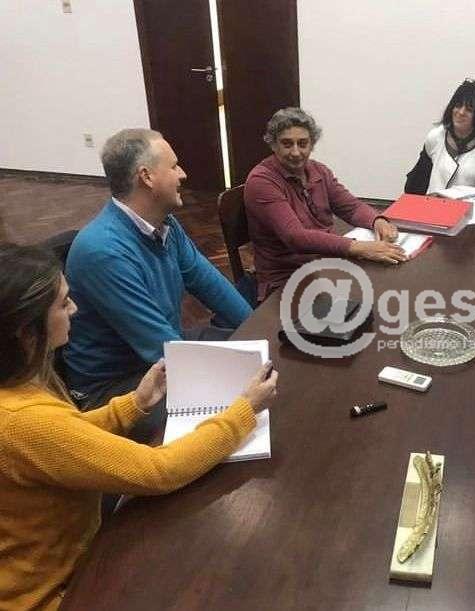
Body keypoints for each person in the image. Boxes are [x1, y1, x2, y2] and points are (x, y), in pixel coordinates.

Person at [0, 243, 279, 611]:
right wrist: (242, 411)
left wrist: (133, 405)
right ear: (26, 333)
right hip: (56, 594)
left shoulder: (18, 393)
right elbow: (157, 471)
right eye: (64, 304)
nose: (75, 309)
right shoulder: (23, 420)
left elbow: (66, 435)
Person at [63, 129, 253, 441]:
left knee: (256, 354)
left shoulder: (166, 225)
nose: (183, 174)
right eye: (174, 166)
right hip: (117, 389)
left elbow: (211, 285)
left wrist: (258, 332)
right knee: (238, 403)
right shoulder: (103, 252)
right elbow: (159, 348)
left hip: (160, 354)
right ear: (147, 177)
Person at [244, 107, 405, 300]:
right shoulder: (262, 181)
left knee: (389, 290)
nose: (296, 152)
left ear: (312, 144)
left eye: (302, 143)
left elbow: (351, 208)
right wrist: (360, 248)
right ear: (273, 145)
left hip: (325, 266)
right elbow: (295, 237)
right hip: (287, 279)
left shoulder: (319, 171)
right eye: (287, 144)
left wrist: (377, 221)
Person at [404, 78, 475, 195]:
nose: (461, 112)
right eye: (458, 106)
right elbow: (415, 186)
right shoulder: (435, 136)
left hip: (472, 206)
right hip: (434, 205)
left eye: (469, 109)